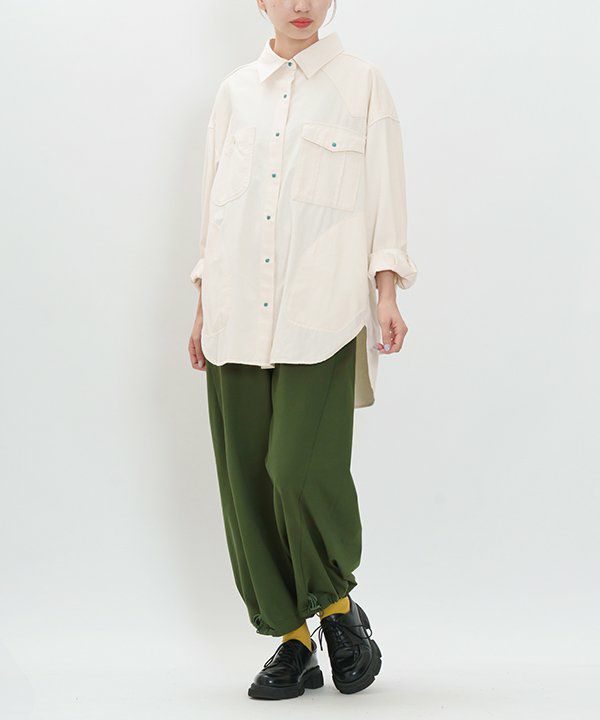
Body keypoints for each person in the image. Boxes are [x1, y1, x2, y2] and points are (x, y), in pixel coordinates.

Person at [187, 0, 417, 701]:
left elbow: (385, 195)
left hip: (323, 311)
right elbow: (214, 208)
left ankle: (338, 606)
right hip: (234, 312)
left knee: (296, 468)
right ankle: (292, 638)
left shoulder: (361, 83)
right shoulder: (235, 93)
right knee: (248, 482)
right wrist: (201, 303)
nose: (300, 5)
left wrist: (386, 289)